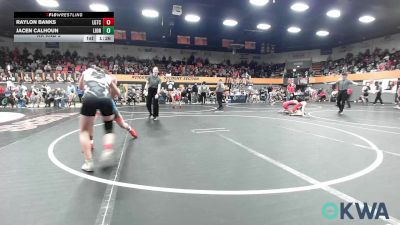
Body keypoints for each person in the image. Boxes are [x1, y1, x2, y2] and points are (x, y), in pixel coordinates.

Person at [79, 65, 120, 172]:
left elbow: (80, 87)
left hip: (90, 98)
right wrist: (109, 98)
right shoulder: (106, 75)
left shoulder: (87, 71)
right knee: (108, 129)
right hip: (105, 99)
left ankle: (89, 163)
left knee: (84, 131)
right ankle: (107, 149)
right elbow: (117, 93)